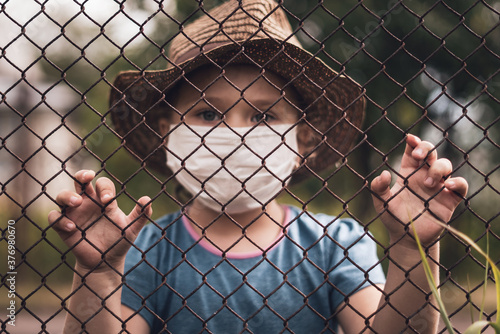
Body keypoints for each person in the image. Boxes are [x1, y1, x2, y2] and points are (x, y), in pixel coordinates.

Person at [48, 0, 468, 333]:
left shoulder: (334, 244)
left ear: (303, 140)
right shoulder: (142, 249)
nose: (237, 136)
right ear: (166, 131)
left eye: (263, 117)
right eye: (208, 115)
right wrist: (99, 274)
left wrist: (412, 250)